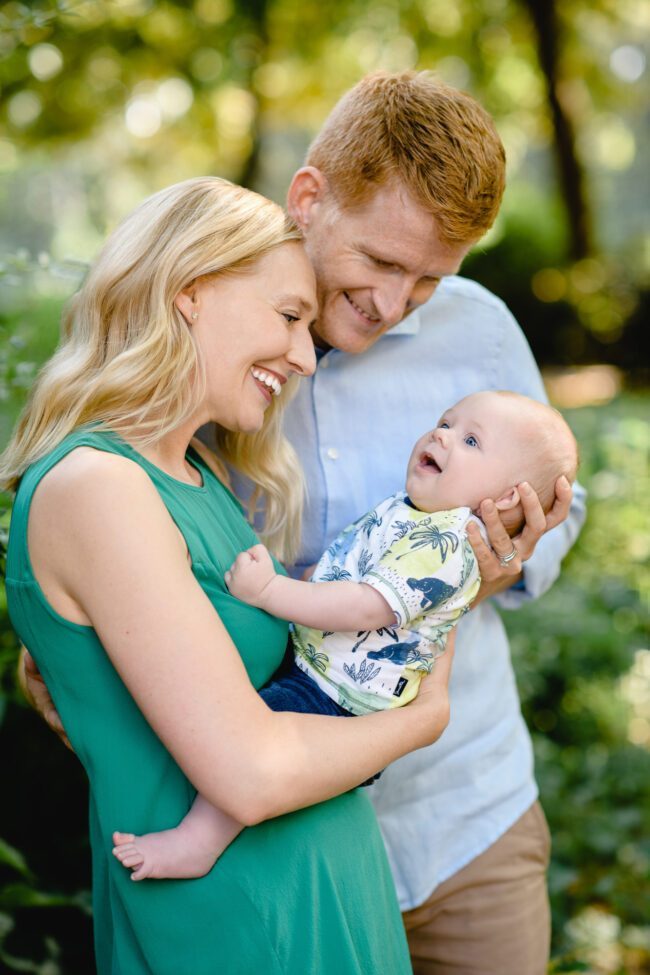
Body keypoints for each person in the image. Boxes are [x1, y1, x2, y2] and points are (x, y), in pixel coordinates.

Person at [22, 72, 587, 974]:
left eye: (431, 280)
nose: (397, 302)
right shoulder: (210, 346)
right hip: (263, 838)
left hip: (464, 817)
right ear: (311, 197)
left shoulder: (479, 333)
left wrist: (504, 558)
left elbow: (559, 496)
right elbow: (114, 520)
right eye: (381, 263)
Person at [3, 176, 456, 975]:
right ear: (189, 292)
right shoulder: (98, 486)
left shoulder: (198, 474)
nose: (306, 357)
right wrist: (424, 717)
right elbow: (249, 773)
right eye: (288, 317)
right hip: (236, 928)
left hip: (317, 893)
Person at [110, 390, 578, 884]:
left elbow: (366, 606)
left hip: (339, 697)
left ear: (507, 497)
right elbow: (350, 566)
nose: (441, 434)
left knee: (254, 745)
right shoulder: (415, 512)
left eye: (469, 439)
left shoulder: (448, 544)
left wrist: (271, 590)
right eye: (444, 421)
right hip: (321, 665)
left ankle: (197, 844)